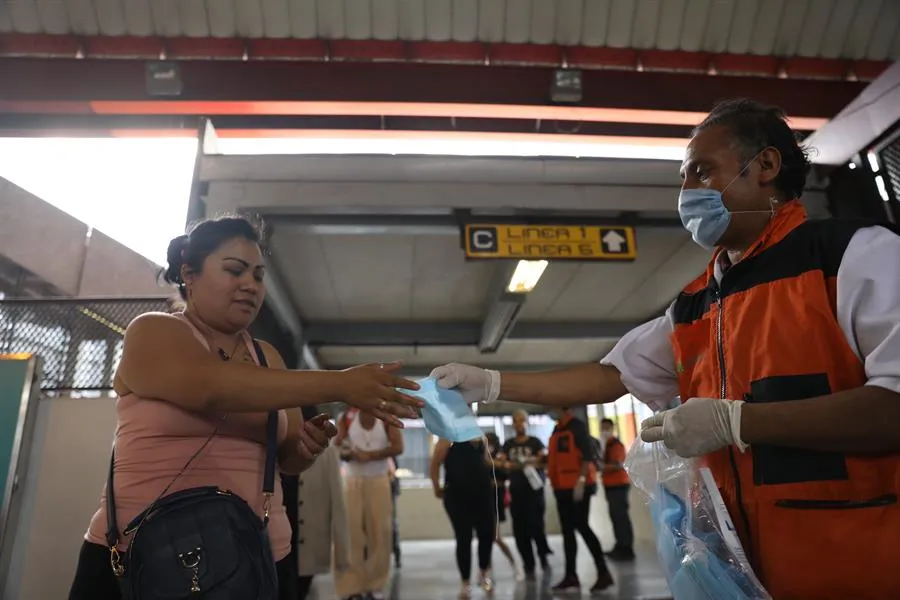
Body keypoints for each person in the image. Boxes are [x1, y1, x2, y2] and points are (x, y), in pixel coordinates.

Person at [430, 98, 900, 600]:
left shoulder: (853, 257)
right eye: (683, 177)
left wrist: (738, 423)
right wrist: (492, 383)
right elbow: (609, 377)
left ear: (765, 165)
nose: (686, 191)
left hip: (854, 563)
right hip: (741, 576)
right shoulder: (697, 304)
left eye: (702, 171)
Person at [68, 215, 423, 600]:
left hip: (256, 556)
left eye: (258, 275)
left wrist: (304, 448)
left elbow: (286, 460)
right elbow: (210, 387)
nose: (250, 285)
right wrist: (343, 383)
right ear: (190, 274)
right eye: (234, 270)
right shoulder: (153, 331)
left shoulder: (267, 357)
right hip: (144, 552)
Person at [334, 408, 403, 600]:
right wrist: (348, 453)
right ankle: (351, 585)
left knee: (381, 532)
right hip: (352, 480)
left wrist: (371, 455)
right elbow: (336, 446)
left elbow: (398, 447)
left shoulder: (387, 419)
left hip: (378, 479)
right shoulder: (346, 418)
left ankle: (375, 583)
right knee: (351, 534)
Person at [545, 407, 613, 592]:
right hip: (561, 487)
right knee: (568, 532)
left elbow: (587, 455)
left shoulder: (577, 426)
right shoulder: (557, 428)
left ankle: (603, 572)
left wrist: (581, 481)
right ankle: (571, 576)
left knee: (582, 526)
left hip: (577, 486)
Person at [295, 407, 350, 600]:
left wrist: (342, 555)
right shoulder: (276, 445)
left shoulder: (327, 451)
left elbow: (338, 502)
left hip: (310, 544)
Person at [431, 438, 496, 599]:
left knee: (487, 533)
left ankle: (483, 572)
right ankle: (465, 582)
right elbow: (435, 464)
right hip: (457, 496)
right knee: (464, 537)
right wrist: (436, 487)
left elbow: (486, 461)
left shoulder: (480, 438)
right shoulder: (447, 440)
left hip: (482, 494)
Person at [500, 409, 553, 579]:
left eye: (522, 420)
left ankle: (543, 557)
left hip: (534, 491)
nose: (519, 423)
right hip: (516, 492)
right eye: (516, 420)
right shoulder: (508, 444)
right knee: (520, 529)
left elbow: (543, 460)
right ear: (512, 423)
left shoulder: (535, 442)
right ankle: (528, 562)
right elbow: (502, 463)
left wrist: (519, 464)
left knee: (537, 526)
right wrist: (523, 463)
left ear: (527, 422)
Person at [484, 432, 522, 579]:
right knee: (486, 538)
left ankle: (514, 564)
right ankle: (486, 570)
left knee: (495, 537)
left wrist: (495, 463)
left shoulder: (499, 456)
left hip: (496, 497)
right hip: (484, 497)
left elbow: (504, 470)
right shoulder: (482, 455)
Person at [599, 418, 634, 561]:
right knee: (615, 517)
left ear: (612, 428)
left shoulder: (616, 445)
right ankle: (620, 545)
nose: (604, 431)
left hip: (618, 485)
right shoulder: (605, 446)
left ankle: (626, 548)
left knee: (620, 517)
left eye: (607, 428)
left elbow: (618, 465)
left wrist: (602, 467)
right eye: (602, 428)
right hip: (610, 485)